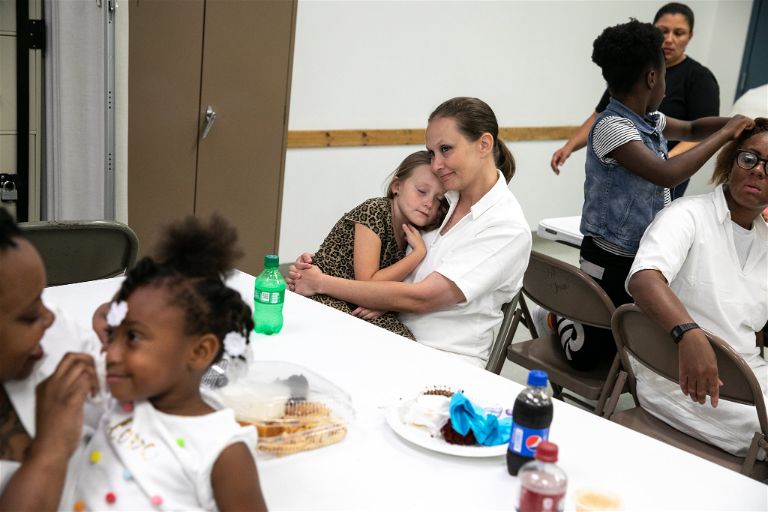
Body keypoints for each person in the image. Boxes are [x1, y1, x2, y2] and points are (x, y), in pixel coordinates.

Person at [544, 20, 752, 371]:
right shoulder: (612, 127)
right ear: (653, 78)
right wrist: (727, 135)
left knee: (629, 341)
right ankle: (555, 316)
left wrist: (735, 122)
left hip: (641, 251)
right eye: (665, 77)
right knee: (587, 355)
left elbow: (690, 128)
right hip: (608, 255)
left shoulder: (649, 119)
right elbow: (667, 173)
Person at [288, 97, 532, 368]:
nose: (437, 164)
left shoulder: (505, 227)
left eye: (446, 149)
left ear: (484, 144)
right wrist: (318, 266)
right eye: (432, 152)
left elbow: (422, 297)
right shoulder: (444, 200)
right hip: (387, 332)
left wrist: (321, 282)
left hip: (440, 359)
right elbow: (393, 266)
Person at [69, 215, 267, 511]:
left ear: (199, 352)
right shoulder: (118, 395)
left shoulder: (223, 452)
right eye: (114, 335)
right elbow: (106, 314)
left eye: (133, 337)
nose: (110, 353)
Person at [626, 118, 768, 457]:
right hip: (682, 385)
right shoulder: (687, 215)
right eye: (749, 158)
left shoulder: (763, 241)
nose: (759, 171)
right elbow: (643, 279)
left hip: (747, 381)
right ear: (731, 160)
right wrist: (689, 333)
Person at [551, 2, 720, 201]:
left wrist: (668, 161)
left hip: (663, 174)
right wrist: (568, 147)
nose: (669, 39)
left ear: (690, 36)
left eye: (679, 33)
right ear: (651, 79)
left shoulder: (692, 85)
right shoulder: (614, 122)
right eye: (663, 31)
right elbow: (599, 113)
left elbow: (693, 130)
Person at [0, 207, 102, 511]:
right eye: (30, 316)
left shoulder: (55, 335)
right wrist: (51, 450)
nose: (48, 319)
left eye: (42, 298)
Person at [309, 150, 446, 339]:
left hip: (362, 304)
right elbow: (369, 282)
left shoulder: (414, 231)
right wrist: (417, 254)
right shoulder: (374, 210)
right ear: (397, 186)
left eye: (438, 199)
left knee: (405, 340)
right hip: (325, 295)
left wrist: (384, 303)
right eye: (421, 191)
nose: (429, 203)